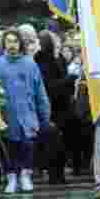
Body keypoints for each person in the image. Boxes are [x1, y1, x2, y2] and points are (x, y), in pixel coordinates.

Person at [0, 27, 51, 194]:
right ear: (3, 44)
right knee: (8, 147)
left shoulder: (30, 64)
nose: (12, 45)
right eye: (8, 41)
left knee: (27, 146)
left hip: (27, 113)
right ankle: (11, 177)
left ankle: (25, 175)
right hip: (5, 115)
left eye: (15, 41)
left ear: (20, 43)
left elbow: (40, 91)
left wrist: (44, 114)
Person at [35, 30, 73, 186]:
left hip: (63, 107)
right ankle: (53, 174)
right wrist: (68, 80)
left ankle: (60, 173)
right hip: (51, 107)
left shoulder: (60, 59)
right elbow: (48, 86)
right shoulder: (41, 60)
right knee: (53, 142)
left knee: (62, 143)